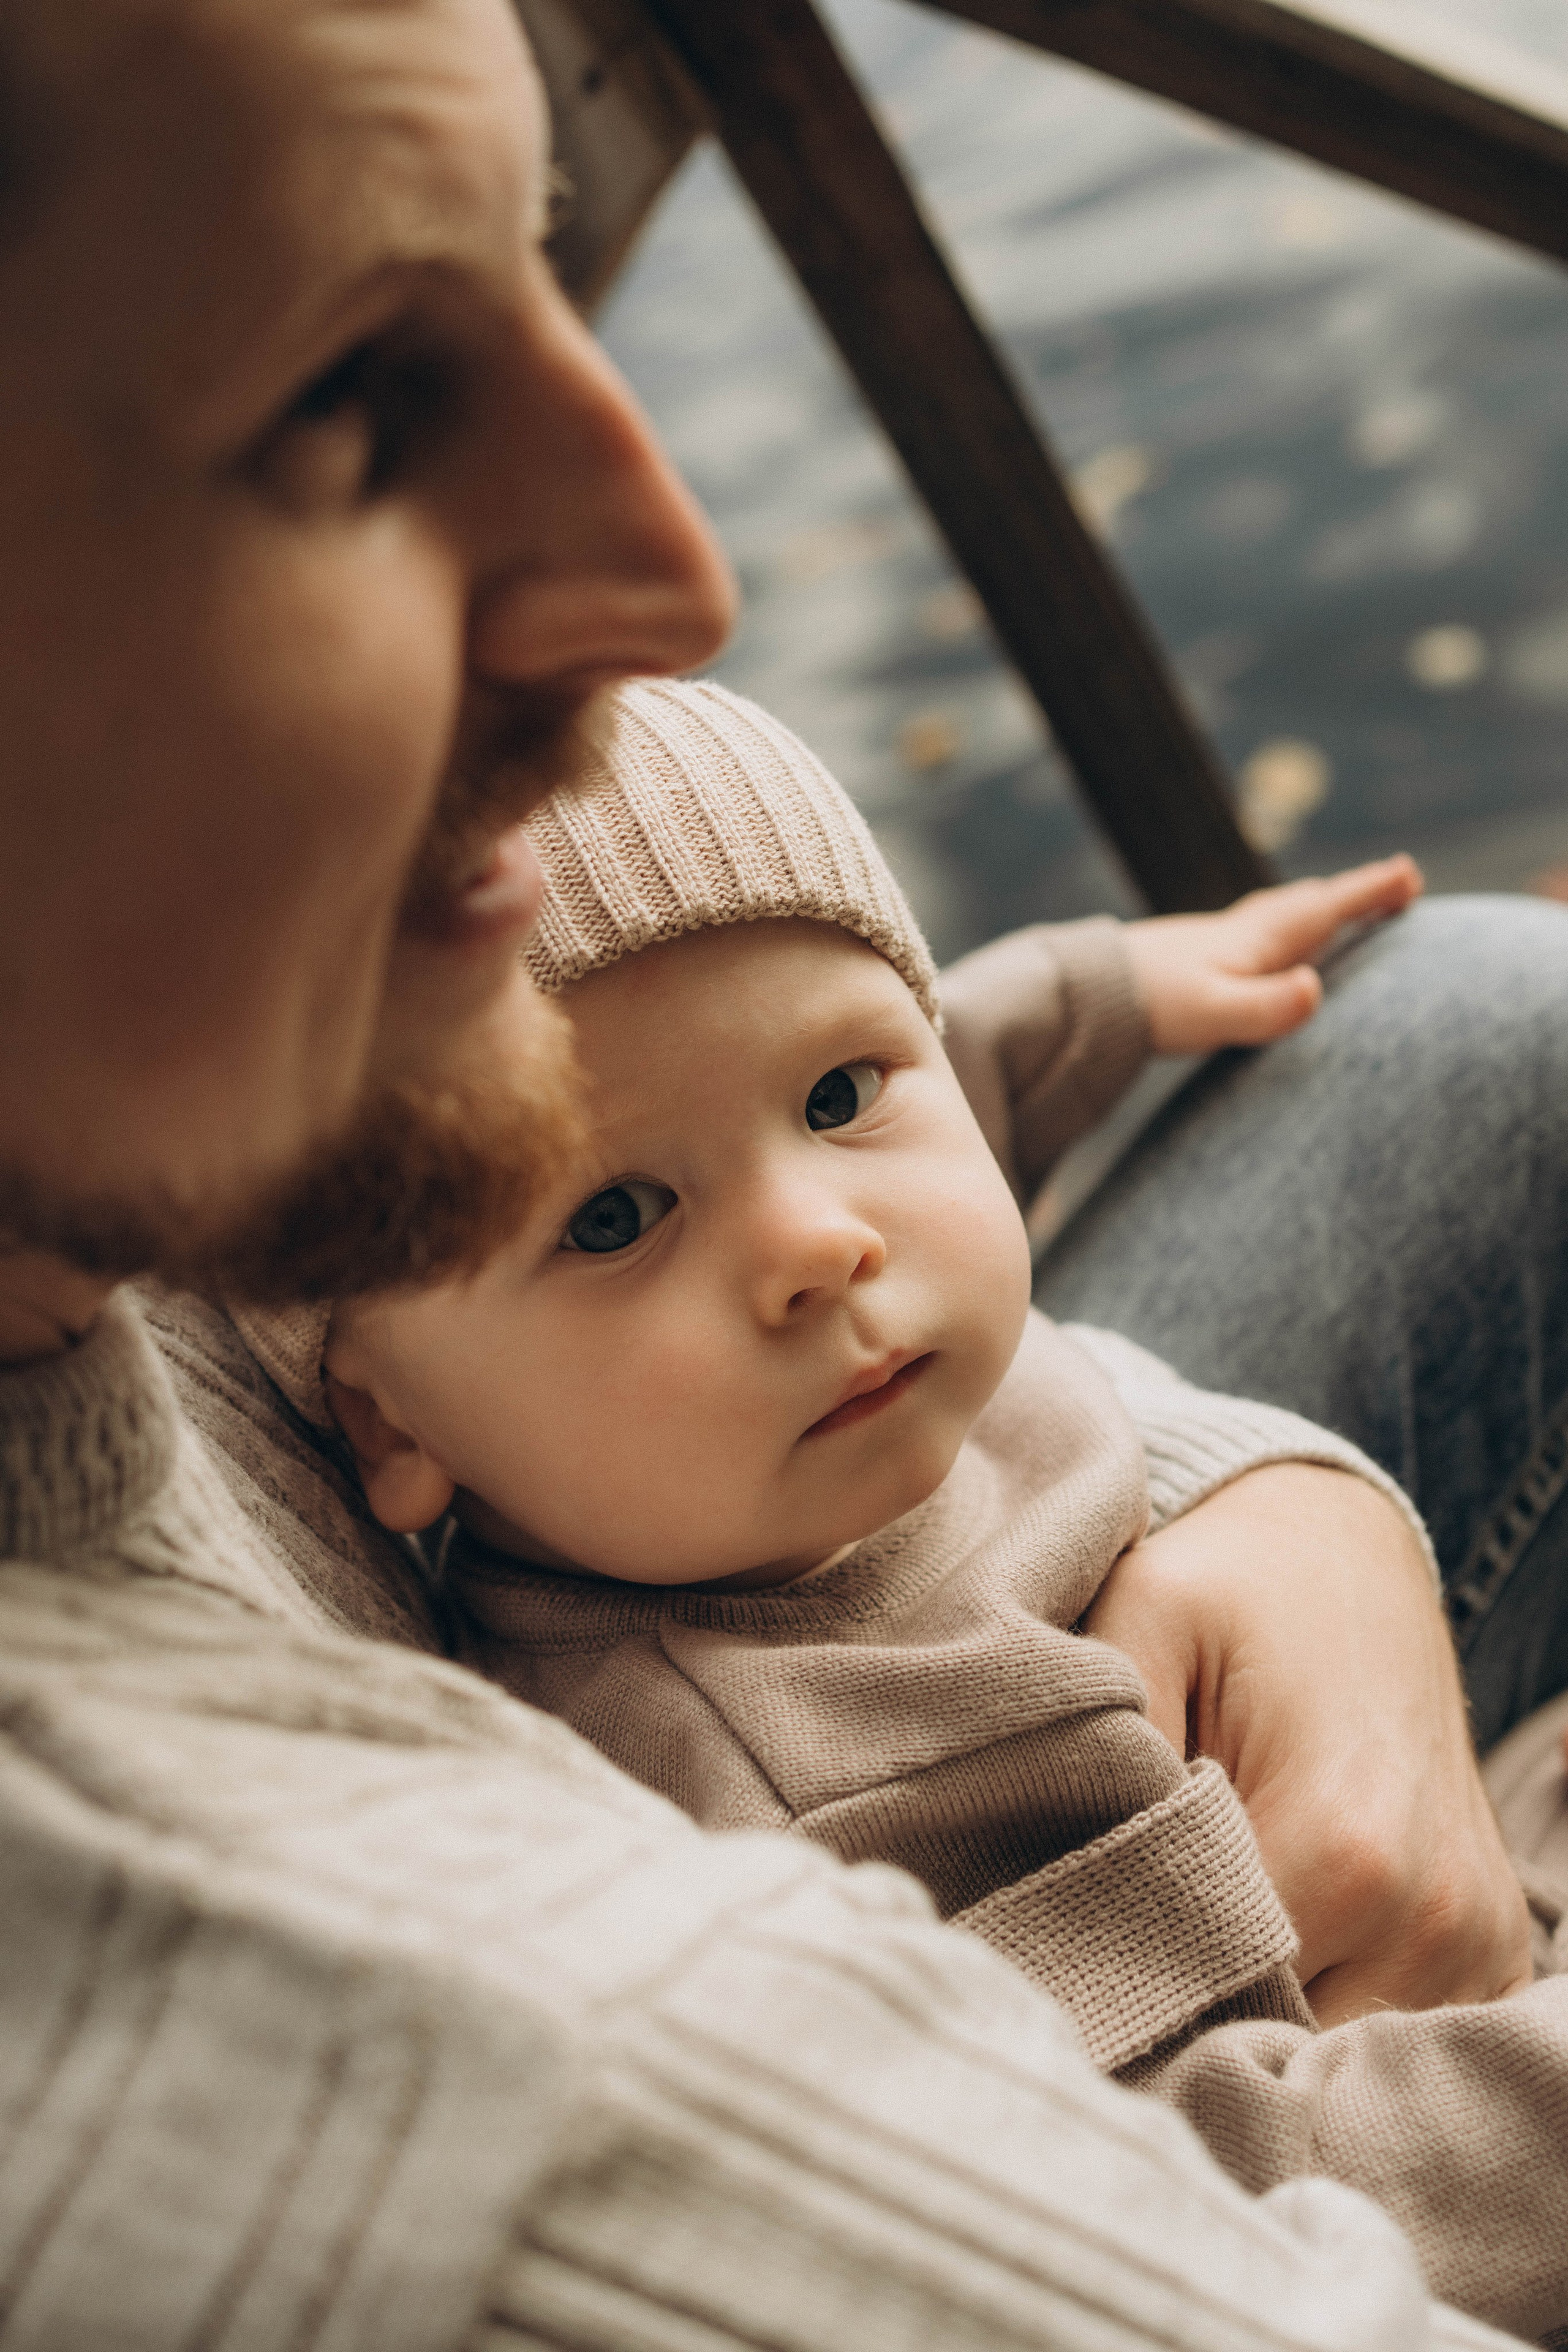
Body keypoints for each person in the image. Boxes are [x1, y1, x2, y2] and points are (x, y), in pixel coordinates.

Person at [0, 0, 1547, 2345]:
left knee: (1459, 1024)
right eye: (341, 403)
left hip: (1069, 1650)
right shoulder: (622, 2040)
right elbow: (1294, 2221)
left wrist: (1248, 1477)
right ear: (391, 1425)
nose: (674, 577)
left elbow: (772, 1074)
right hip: (1290, 2116)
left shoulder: (191, 1124)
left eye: (536, 248)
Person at [281, 676, 1565, 2337]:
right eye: (612, 1220)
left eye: (839, 1096)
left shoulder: (765, 1414)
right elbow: (1236, 2187)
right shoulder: (802, 1793)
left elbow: (809, 1031)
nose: (822, 1242)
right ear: (387, 1420)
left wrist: (1102, 989)